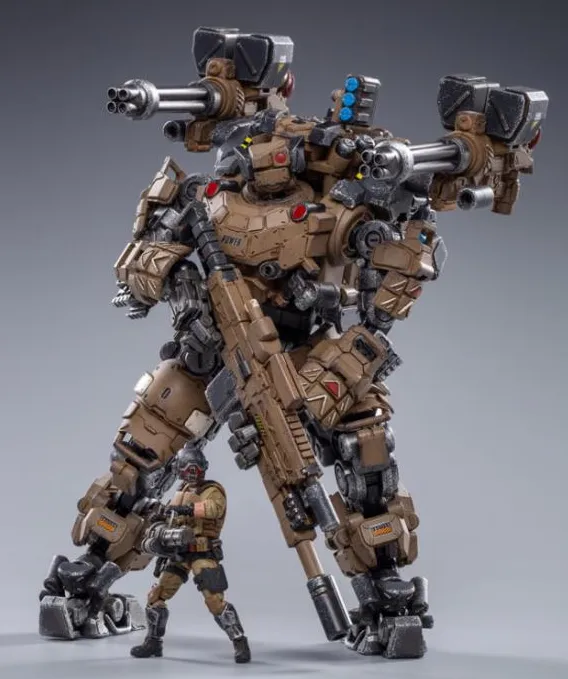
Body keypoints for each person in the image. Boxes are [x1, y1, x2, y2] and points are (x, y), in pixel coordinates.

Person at [130, 444, 251, 663]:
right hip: (179, 553)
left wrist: (186, 509)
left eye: (193, 468)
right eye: (187, 469)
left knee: (215, 600)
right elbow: (169, 515)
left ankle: (239, 641)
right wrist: (160, 515)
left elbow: (214, 509)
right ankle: (154, 642)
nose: (191, 473)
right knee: (156, 596)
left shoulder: (213, 490)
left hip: (203, 552)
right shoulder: (182, 490)